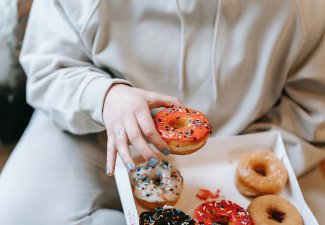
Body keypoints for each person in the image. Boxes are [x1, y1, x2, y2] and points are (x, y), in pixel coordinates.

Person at [0, 0, 325, 224]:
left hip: (245, 139)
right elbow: (50, 68)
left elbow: (312, 105)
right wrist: (105, 96)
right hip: (94, 130)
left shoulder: (301, 10)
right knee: (18, 209)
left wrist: (237, 158)